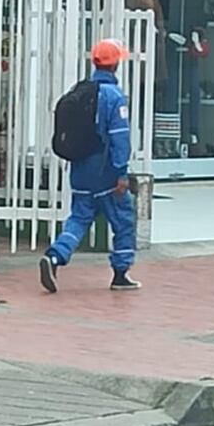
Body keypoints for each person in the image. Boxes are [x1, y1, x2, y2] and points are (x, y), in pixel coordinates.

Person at [40, 40, 140, 293]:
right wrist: (121, 173)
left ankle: (54, 257)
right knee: (123, 219)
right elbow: (119, 137)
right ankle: (120, 273)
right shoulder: (114, 97)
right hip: (104, 171)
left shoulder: (81, 90)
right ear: (115, 64)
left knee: (79, 218)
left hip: (80, 168)